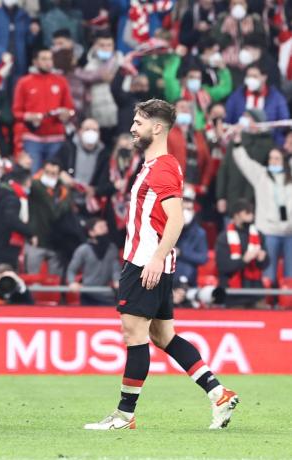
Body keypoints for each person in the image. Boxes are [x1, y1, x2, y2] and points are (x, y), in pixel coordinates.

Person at [84, 99, 238, 431]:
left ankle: (125, 415)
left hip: (145, 263)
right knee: (163, 334)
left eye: (138, 122)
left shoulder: (164, 167)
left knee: (134, 334)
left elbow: (176, 219)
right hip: (154, 261)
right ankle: (218, 394)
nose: (131, 128)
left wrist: (154, 259)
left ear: (157, 128)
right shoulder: (155, 165)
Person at [231, 128, 292, 285]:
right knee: (268, 273)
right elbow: (244, 163)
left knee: (290, 276)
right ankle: (268, 305)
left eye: (277, 159)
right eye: (271, 159)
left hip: (290, 233)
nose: (273, 162)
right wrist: (237, 142)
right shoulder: (261, 176)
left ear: (284, 161)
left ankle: (286, 305)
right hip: (268, 232)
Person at [12, 48, 74, 172]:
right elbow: (16, 112)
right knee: (33, 175)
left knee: (55, 177)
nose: (48, 62)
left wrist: (66, 114)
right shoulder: (24, 82)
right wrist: (28, 116)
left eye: (50, 59)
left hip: (56, 137)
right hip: (32, 138)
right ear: (35, 62)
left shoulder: (61, 81)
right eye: (44, 59)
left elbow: (70, 108)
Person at [216, 109, 275, 216]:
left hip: (255, 204)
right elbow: (224, 169)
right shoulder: (236, 141)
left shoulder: (267, 144)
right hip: (233, 199)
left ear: (257, 122)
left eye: (248, 117)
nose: (243, 120)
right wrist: (221, 197)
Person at [0, 167, 35, 281]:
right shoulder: (13, 199)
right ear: (26, 181)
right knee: (3, 284)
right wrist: (30, 233)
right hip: (2, 250)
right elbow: (12, 220)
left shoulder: (3, 193)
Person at [215, 199, 269, 307]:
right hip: (233, 294)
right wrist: (244, 260)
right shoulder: (224, 237)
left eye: (252, 213)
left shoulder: (259, 235)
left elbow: (265, 264)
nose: (251, 216)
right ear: (236, 215)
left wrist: (262, 259)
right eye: (247, 213)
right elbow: (222, 266)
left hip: (255, 292)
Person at [225, 63, 290, 144]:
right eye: (248, 76)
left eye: (255, 76)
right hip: (241, 141)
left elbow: (283, 125)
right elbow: (227, 119)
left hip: (268, 143)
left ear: (264, 77)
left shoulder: (277, 98)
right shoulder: (236, 97)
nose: (251, 79)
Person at [26, 158, 71, 275]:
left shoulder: (64, 191)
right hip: (36, 241)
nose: (50, 176)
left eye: (53, 174)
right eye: (47, 172)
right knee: (32, 280)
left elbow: (59, 212)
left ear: (59, 175)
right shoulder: (35, 186)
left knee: (54, 284)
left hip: (56, 244)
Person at [66, 218, 120, 306]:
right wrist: (72, 282)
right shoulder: (83, 249)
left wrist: (117, 280)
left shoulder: (112, 248)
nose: (105, 229)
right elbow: (71, 270)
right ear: (91, 232)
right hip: (88, 294)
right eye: (101, 227)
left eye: (105, 226)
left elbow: (116, 268)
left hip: (106, 295)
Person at [167, 100, 215, 196]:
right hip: (173, 188)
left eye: (188, 108)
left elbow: (208, 162)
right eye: (181, 107)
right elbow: (163, 162)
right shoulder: (167, 134)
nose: (185, 110)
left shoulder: (198, 135)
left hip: (195, 189)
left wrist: (204, 184)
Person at [174, 195, 208, 286]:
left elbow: (202, 258)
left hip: (187, 279)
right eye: (183, 208)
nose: (185, 212)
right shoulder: (168, 229)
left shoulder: (199, 233)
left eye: (189, 209)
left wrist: (181, 253)